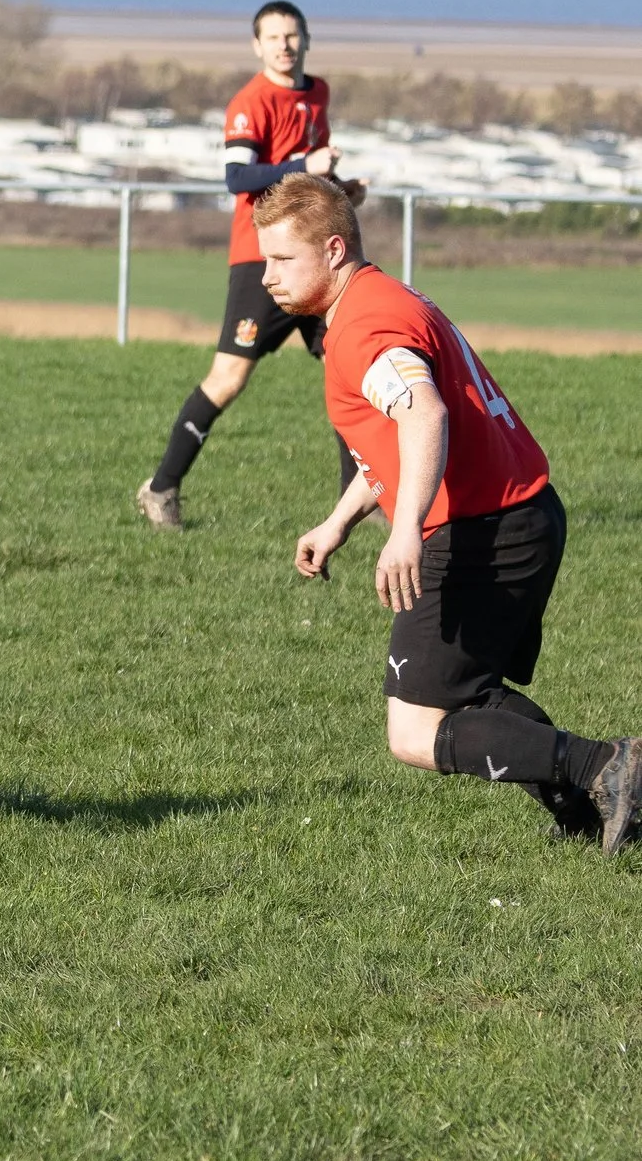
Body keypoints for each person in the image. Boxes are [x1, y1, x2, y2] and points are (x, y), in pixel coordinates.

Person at [257, 174, 638, 853]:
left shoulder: (365, 326)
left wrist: (405, 532)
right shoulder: (378, 300)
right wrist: (340, 520)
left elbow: (424, 413)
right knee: (466, 692)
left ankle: (607, 769)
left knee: (414, 729)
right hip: (519, 515)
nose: (268, 277)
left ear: (335, 249)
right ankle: (588, 809)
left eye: (283, 259)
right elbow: (399, 437)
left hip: (483, 528)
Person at [137, 0, 352, 530]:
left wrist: (340, 190)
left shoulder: (317, 93)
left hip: (316, 257)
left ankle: (361, 496)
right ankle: (161, 488)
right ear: (257, 46)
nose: (284, 44)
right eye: (273, 37)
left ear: (307, 38)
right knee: (229, 377)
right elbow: (238, 178)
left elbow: (303, 181)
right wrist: (308, 165)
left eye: (292, 34)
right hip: (264, 260)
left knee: (348, 368)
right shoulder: (250, 101)